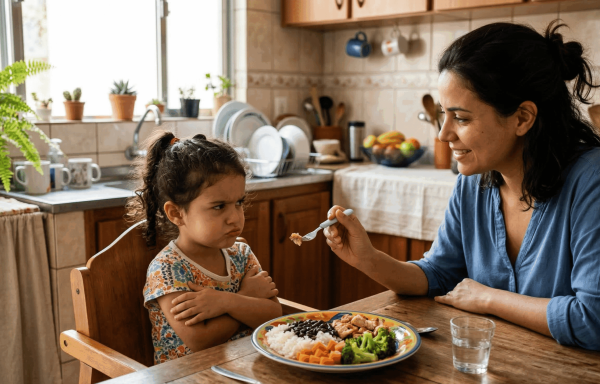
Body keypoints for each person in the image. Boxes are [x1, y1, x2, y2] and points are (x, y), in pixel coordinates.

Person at [324, 21, 600, 351]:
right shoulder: (473, 183)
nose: (443, 134)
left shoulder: (591, 180)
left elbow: (592, 319)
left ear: (523, 118)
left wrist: (488, 298)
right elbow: (439, 273)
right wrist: (367, 259)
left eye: (462, 118)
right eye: (443, 114)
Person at [127, 131, 282, 364]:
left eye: (238, 202)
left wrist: (225, 302)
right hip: (187, 383)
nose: (235, 218)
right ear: (176, 213)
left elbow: (272, 314)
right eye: (219, 206)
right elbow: (199, 341)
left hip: (244, 368)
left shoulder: (241, 254)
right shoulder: (167, 269)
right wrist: (245, 299)